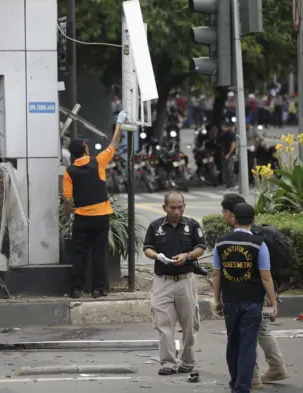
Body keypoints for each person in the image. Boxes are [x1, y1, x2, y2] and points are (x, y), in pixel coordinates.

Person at [220, 194, 290, 387]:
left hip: (253, 293)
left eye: (224, 212)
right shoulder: (259, 233)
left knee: (248, 335)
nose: (224, 216)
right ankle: (276, 367)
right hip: (266, 289)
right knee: (260, 330)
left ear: (231, 214)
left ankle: (253, 377)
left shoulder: (244, 238)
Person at [62, 110, 128, 298]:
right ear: (86, 149)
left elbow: (67, 200)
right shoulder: (98, 162)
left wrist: (67, 216)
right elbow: (113, 143)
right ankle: (98, 290)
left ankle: (76, 289)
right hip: (101, 217)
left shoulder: (69, 171)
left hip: (81, 218)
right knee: (99, 253)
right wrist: (119, 123)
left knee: (79, 254)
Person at [143, 192, 206, 376]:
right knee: (164, 324)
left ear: (184, 205)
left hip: (185, 280)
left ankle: (187, 360)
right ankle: (168, 363)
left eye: (180, 207)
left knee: (189, 324)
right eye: (173, 208)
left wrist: (187, 255)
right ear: (164, 208)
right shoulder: (155, 226)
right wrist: (157, 256)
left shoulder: (192, 225)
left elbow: (201, 247)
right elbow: (147, 248)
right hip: (163, 281)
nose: (177, 211)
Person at [220, 122, 237, 188]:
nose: (221, 128)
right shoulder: (225, 134)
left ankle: (232, 184)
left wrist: (228, 154)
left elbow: (233, 145)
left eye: (222, 127)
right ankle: (228, 183)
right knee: (226, 169)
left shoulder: (231, 134)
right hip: (226, 154)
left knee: (230, 168)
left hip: (231, 154)